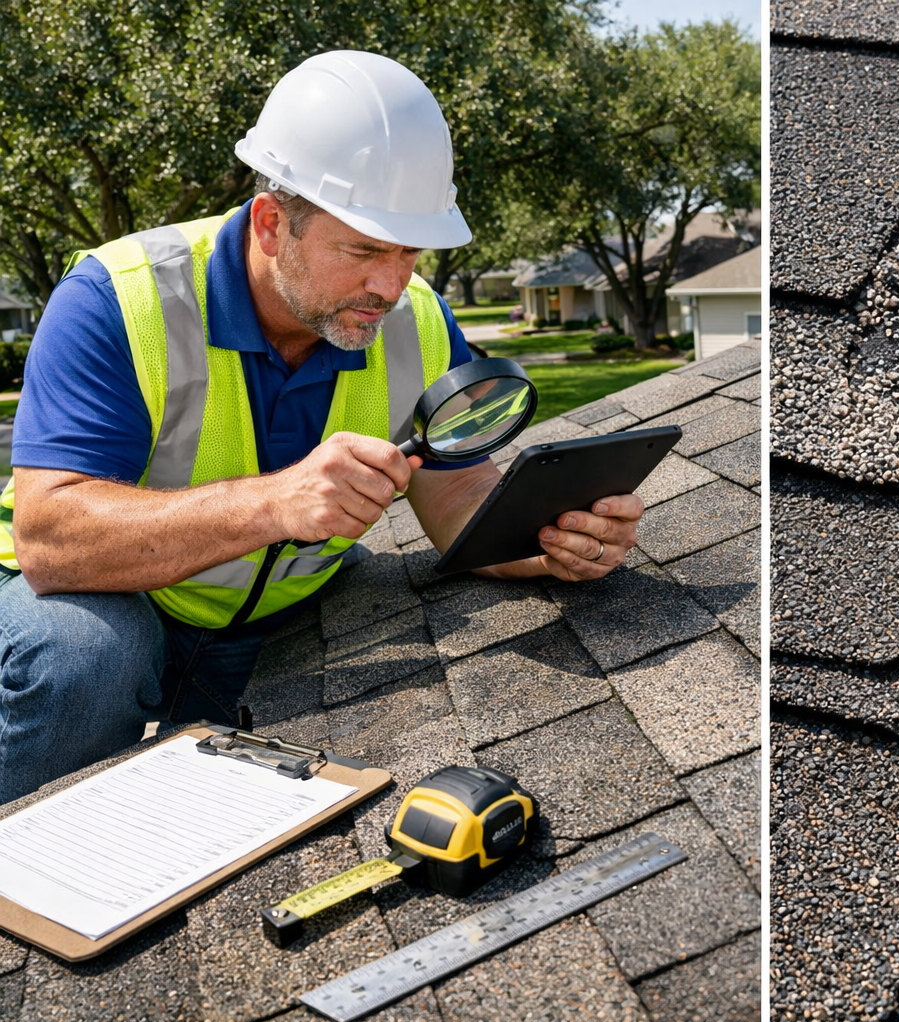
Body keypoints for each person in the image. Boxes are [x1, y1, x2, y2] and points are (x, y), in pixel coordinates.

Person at [0, 51, 643, 804]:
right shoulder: (119, 298)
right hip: (93, 602)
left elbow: (459, 492)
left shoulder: (418, 321)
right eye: (364, 249)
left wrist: (550, 549)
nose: (391, 284)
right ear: (273, 224)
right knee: (87, 655)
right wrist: (275, 503)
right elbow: (50, 540)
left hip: (278, 619)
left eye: (409, 250)